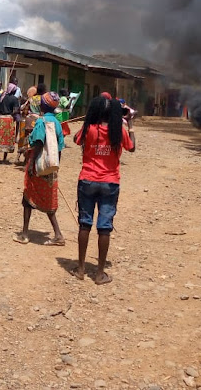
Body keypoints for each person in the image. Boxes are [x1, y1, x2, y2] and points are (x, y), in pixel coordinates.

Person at [71, 96, 136, 285]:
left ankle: (81, 269)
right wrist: (130, 124)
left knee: (85, 224)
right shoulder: (119, 132)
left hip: (87, 180)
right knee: (104, 227)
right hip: (110, 182)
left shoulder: (89, 129)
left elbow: (76, 139)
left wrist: (89, 120)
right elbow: (131, 148)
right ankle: (99, 274)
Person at [14, 92, 66, 246]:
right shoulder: (56, 123)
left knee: (27, 197)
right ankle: (57, 234)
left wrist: (30, 165)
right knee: (49, 199)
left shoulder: (41, 122)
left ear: (43, 105)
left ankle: (24, 234)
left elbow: (38, 142)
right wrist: (55, 167)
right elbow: (60, 147)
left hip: (38, 164)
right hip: (51, 165)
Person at [0, 83, 20, 163]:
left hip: (1, 118)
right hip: (9, 119)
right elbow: (16, 110)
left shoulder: (2, 97)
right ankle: (4, 158)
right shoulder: (14, 99)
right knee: (7, 138)